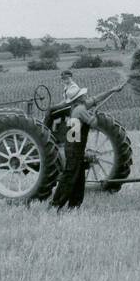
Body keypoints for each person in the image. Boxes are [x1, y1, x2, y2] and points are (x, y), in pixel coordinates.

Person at [50, 76, 127, 210]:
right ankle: (56, 204)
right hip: (73, 149)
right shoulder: (80, 110)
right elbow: (94, 123)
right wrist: (93, 115)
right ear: (79, 98)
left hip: (76, 148)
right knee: (69, 177)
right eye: (82, 94)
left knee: (79, 178)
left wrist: (112, 90)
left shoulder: (80, 106)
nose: (85, 94)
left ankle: (74, 205)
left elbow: (97, 98)